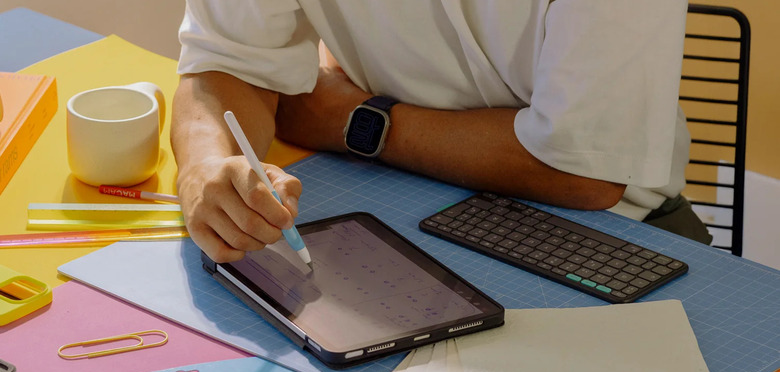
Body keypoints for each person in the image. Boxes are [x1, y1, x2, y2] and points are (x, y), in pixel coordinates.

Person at [172, 0, 711, 264]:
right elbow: (227, 60)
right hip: (393, 196)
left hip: (611, 234)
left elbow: (584, 173)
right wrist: (203, 166)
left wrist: (355, 121)